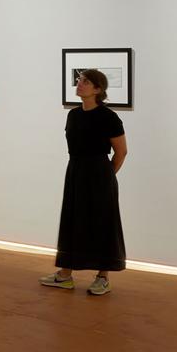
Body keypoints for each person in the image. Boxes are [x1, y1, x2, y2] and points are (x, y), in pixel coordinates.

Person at [40, 69, 127, 295]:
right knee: (72, 219)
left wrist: (106, 176)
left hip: (100, 173)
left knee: (102, 222)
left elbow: (121, 152)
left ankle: (103, 277)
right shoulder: (74, 115)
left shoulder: (108, 117)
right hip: (76, 171)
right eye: (79, 80)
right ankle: (65, 275)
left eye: (86, 81)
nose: (79, 84)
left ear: (98, 89)